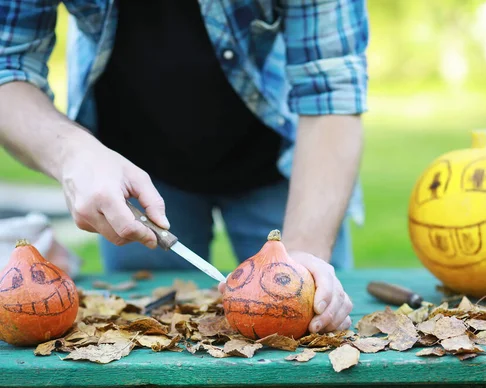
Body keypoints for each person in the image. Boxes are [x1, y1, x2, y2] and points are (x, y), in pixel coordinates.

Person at [0, 0, 369, 334]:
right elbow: (7, 64)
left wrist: (302, 254)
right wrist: (73, 153)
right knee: (145, 336)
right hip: (131, 172)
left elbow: (331, 86)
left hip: (285, 164)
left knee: (312, 323)